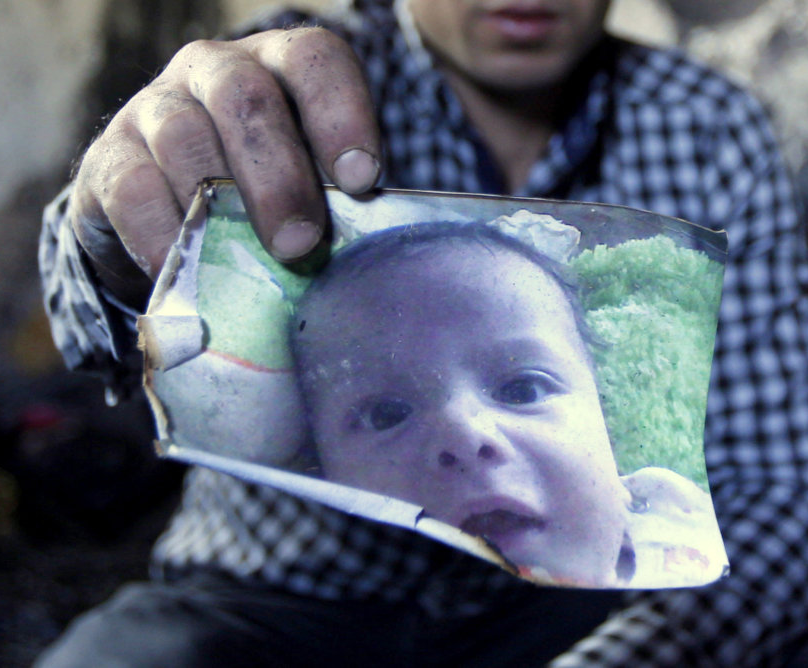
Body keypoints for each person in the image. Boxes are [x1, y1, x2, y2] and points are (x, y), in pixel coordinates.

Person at [32, 0, 808, 665]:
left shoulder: (709, 129)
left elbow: (795, 492)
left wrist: (627, 659)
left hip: (578, 611)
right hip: (280, 607)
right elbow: (95, 322)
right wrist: (107, 242)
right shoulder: (282, 95)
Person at [291, 220, 720, 589]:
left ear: (604, 424)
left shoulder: (676, 518)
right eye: (387, 415)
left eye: (522, 391)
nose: (464, 434)